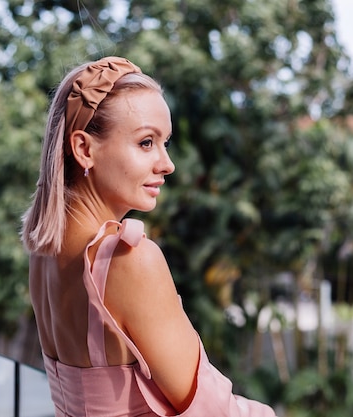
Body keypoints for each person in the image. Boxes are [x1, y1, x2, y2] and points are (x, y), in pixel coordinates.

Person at [21, 56, 277, 417]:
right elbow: (214, 411)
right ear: (83, 149)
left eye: (165, 143)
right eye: (146, 143)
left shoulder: (45, 253)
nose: (167, 164)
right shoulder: (130, 259)